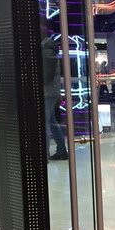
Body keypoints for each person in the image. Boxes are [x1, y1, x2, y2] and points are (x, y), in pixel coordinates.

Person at [41, 32, 68, 161]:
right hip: (51, 92)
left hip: (47, 92)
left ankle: (44, 154)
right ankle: (61, 150)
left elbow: (47, 74)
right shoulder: (50, 52)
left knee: (45, 123)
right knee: (52, 122)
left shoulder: (46, 53)